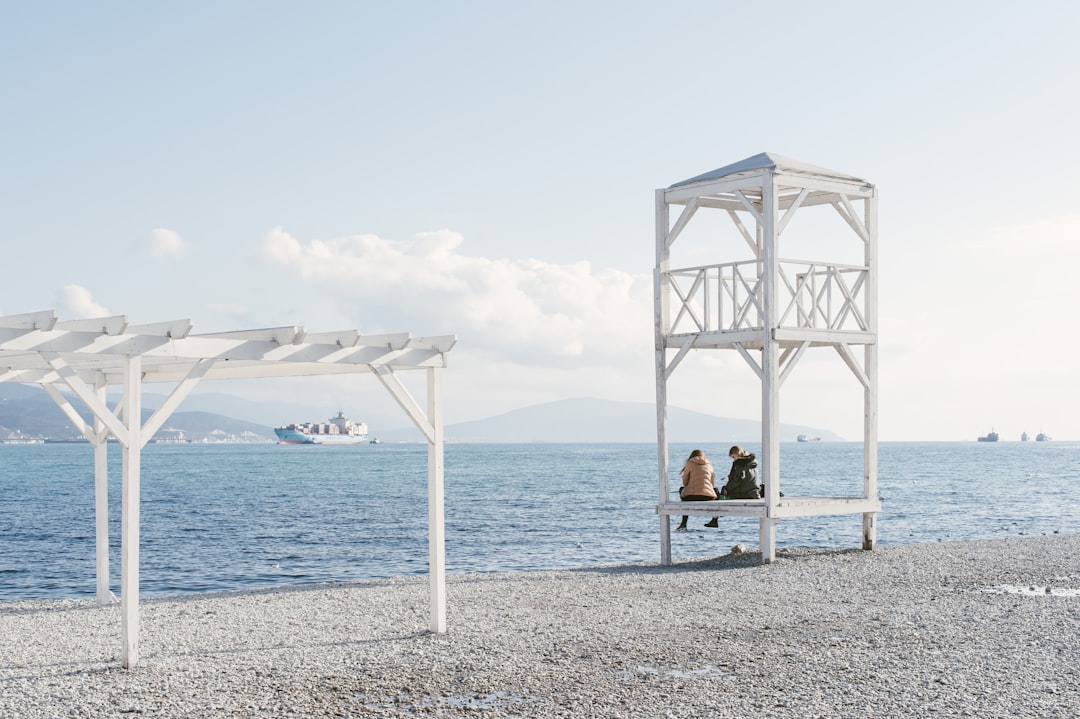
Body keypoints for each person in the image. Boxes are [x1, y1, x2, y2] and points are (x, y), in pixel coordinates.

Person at [676, 449, 719, 531]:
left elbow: (685, 481)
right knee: (716, 490)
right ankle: (714, 520)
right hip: (708, 497)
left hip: (691, 497)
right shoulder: (709, 464)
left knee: (681, 490)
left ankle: (684, 523)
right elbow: (712, 483)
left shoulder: (690, 463)